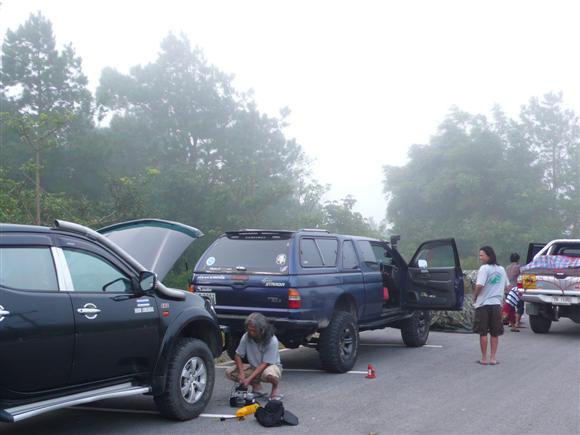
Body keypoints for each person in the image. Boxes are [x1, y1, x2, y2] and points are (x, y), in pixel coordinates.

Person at [226, 312, 283, 399]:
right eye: (249, 330)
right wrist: (241, 373)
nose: (251, 333)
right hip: (254, 367)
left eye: (254, 331)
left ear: (262, 330)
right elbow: (238, 355)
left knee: (269, 374)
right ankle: (257, 388)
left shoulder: (272, 340)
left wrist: (248, 380)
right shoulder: (246, 336)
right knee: (230, 372)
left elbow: (265, 363)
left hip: (270, 367)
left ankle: (275, 389)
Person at [473, 246, 509, 366]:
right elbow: (507, 285)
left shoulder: (484, 268)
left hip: (483, 304)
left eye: (482, 255)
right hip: (496, 304)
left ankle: (484, 358)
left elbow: (479, 285)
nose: (480, 258)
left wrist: (475, 296)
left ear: (489, 256)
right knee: (495, 332)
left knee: (483, 332)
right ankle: (493, 358)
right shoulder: (501, 269)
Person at [505, 252, 524, 329]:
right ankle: (517, 323)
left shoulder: (507, 267)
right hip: (516, 290)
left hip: (508, 289)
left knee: (511, 307)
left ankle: (511, 322)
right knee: (520, 306)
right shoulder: (519, 267)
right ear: (518, 259)